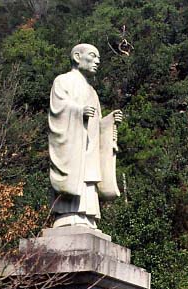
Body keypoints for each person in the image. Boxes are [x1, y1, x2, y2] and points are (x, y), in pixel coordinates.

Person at [48, 43, 123, 229]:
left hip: (89, 150)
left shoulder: (92, 92)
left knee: (89, 182)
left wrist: (110, 121)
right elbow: (57, 110)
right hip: (74, 151)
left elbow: (96, 126)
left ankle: (88, 218)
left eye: (98, 58)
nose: (97, 61)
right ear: (77, 57)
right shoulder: (62, 81)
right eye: (93, 56)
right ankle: (68, 216)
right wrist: (78, 111)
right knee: (78, 180)